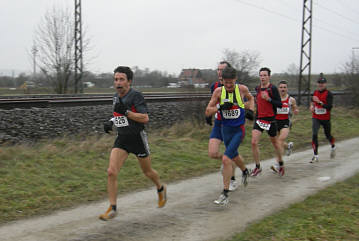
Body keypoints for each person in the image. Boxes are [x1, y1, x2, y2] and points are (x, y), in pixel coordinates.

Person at [99, 66, 167, 221]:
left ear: (129, 81)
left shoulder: (136, 96)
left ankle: (160, 188)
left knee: (147, 172)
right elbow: (118, 114)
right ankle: (112, 207)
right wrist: (110, 122)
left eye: (121, 79)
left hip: (137, 138)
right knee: (111, 171)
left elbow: (145, 118)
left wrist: (127, 112)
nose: (118, 83)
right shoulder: (115, 97)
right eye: (116, 79)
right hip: (122, 138)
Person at [205, 66, 254, 205]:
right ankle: (245, 171)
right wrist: (220, 107)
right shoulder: (218, 92)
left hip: (238, 130)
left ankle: (225, 194)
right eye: (225, 83)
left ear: (235, 80)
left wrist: (251, 110)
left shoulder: (242, 89)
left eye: (230, 83)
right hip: (225, 129)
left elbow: (251, 99)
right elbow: (208, 110)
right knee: (233, 155)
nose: (228, 86)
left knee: (227, 158)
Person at [206, 61, 239, 191]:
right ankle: (227, 161)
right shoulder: (214, 86)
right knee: (213, 153)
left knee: (230, 154)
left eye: (222, 70)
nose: (219, 72)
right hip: (219, 123)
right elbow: (212, 104)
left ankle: (232, 180)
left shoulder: (236, 87)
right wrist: (208, 115)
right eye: (218, 70)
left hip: (232, 124)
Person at [251, 67, 285, 176]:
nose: (262, 77)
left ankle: (280, 164)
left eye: (264, 75)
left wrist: (269, 99)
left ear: (269, 77)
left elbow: (280, 104)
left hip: (270, 121)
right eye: (261, 75)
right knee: (253, 142)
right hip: (260, 119)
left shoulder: (273, 89)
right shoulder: (257, 88)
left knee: (275, 144)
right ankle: (257, 167)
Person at [271, 80, 299, 173]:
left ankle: (277, 164)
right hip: (275, 122)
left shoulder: (291, 99)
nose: (282, 89)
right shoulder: (275, 98)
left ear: (287, 89)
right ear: (278, 88)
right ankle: (288, 146)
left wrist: (295, 111)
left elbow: (295, 108)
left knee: (280, 141)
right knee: (278, 142)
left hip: (285, 123)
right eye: (281, 87)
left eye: (284, 87)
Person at [310, 73, 336, 163]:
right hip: (316, 117)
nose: (320, 85)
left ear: (325, 84)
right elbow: (312, 102)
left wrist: (320, 102)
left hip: (325, 118)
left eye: (322, 83)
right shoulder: (315, 92)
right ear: (317, 84)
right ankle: (315, 155)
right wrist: (312, 106)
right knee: (314, 134)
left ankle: (333, 145)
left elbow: (329, 107)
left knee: (327, 135)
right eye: (319, 83)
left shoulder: (329, 94)